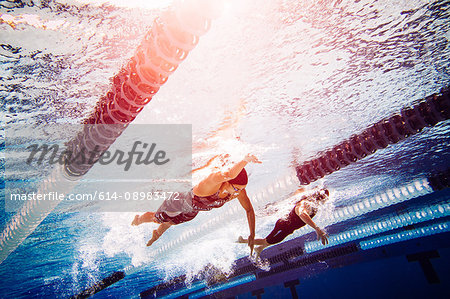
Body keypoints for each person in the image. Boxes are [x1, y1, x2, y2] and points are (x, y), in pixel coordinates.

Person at [132, 153, 261, 255]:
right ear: (227, 182)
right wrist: (245, 160)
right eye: (238, 188)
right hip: (179, 201)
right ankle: (139, 219)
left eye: (242, 188)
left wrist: (252, 234)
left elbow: (249, 210)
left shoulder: (237, 192)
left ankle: (157, 234)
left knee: (172, 222)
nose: (239, 192)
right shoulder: (210, 184)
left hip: (194, 210)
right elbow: (228, 174)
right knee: (158, 218)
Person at [238, 188, 330, 258]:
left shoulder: (314, 206)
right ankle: (243, 241)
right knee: (267, 241)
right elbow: (302, 213)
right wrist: (316, 228)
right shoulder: (306, 204)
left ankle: (259, 249)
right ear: (321, 198)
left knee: (273, 241)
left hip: (288, 229)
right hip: (283, 226)